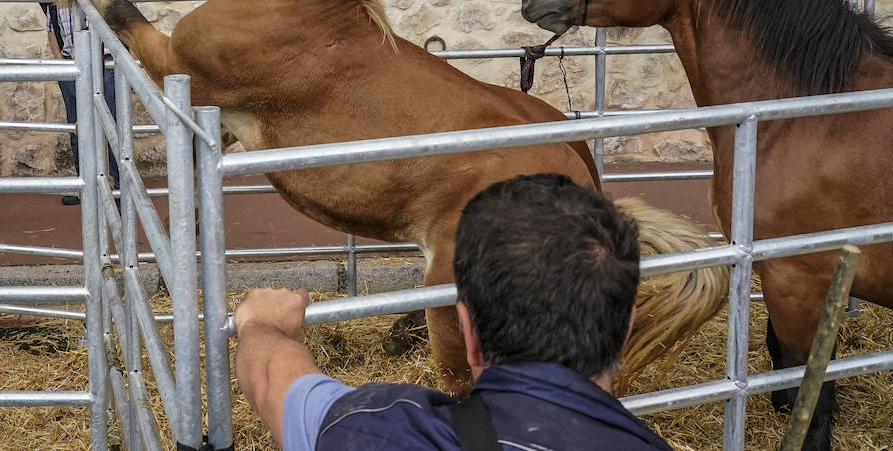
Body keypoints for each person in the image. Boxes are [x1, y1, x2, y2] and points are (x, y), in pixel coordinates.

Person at [235, 173, 672, 451]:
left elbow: (270, 379)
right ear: (627, 323)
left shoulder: (379, 432)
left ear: (468, 330)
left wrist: (262, 324)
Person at [43, 0, 130, 205]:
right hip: (73, 68)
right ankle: (87, 186)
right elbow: (51, 26)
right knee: (79, 129)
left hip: (108, 67)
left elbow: (131, 27)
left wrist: (124, 62)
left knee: (114, 129)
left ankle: (117, 189)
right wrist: (60, 62)